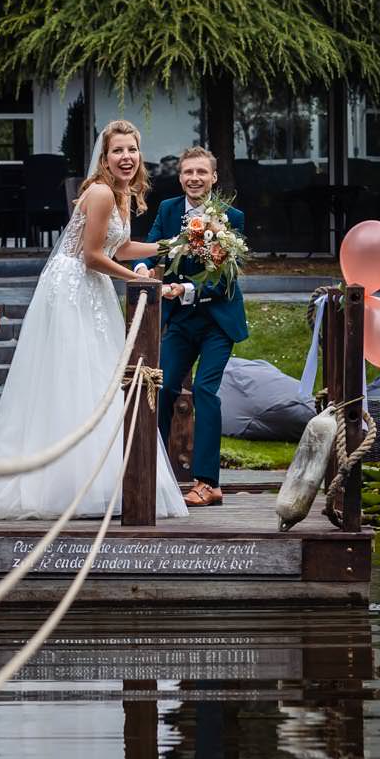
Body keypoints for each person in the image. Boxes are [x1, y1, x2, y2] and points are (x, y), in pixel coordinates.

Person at [0, 119, 190, 521]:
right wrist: (141, 279)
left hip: (93, 285)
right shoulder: (98, 193)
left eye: (132, 150)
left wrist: (169, 246)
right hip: (72, 287)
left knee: (100, 378)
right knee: (76, 375)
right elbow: (92, 255)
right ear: (105, 157)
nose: (126, 157)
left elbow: (122, 245)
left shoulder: (123, 193)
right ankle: (61, 484)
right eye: (118, 151)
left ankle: (100, 479)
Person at [143, 147, 249, 507]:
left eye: (201, 172)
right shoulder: (169, 210)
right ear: (181, 176)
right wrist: (144, 269)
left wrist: (183, 288)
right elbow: (154, 247)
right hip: (181, 320)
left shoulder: (231, 218)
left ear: (214, 177)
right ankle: (152, 473)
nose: (194, 178)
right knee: (162, 388)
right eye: (188, 172)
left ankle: (208, 482)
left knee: (205, 390)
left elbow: (222, 281)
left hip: (218, 320)